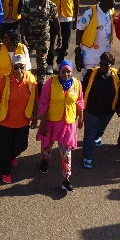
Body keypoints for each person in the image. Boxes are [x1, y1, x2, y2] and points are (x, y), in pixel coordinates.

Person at [0, 54, 38, 183]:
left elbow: (34, 100)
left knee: (22, 145)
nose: (18, 70)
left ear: (25, 67)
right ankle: (5, 172)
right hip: (5, 122)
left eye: (21, 67)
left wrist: (34, 117)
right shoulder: (5, 81)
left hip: (23, 121)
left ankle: (10, 157)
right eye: (15, 67)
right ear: (12, 67)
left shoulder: (31, 80)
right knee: (4, 149)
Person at [36, 61, 84, 192]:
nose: (66, 74)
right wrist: (43, 123)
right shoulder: (50, 83)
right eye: (63, 71)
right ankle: (45, 160)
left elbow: (80, 101)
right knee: (47, 146)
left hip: (67, 124)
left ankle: (66, 180)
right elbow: (43, 103)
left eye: (69, 71)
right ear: (59, 72)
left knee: (66, 153)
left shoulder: (77, 83)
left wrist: (81, 118)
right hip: (51, 122)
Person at [80, 52, 120, 169]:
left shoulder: (117, 76)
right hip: (91, 110)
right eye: (101, 63)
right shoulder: (90, 74)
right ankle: (88, 157)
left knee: (100, 130)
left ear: (111, 64)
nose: (103, 66)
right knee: (90, 132)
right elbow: (82, 89)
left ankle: (97, 137)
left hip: (107, 111)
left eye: (106, 64)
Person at [21, 0, 58, 84]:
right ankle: (25, 82)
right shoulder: (28, 5)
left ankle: (41, 85)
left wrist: (60, 36)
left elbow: (56, 21)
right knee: (25, 59)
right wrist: (23, 37)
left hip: (43, 37)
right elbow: (23, 22)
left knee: (41, 62)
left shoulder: (51, 6)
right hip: (30, 36)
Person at [75, 0, 115, 73]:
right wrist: (77, 46)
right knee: (89, 75)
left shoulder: (110, 12)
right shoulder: (89, 13)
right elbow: (79, 29)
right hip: (91, 52)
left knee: (102, 74)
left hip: (105, 51)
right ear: (104, 4)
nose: (114, 5)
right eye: (112, 3)